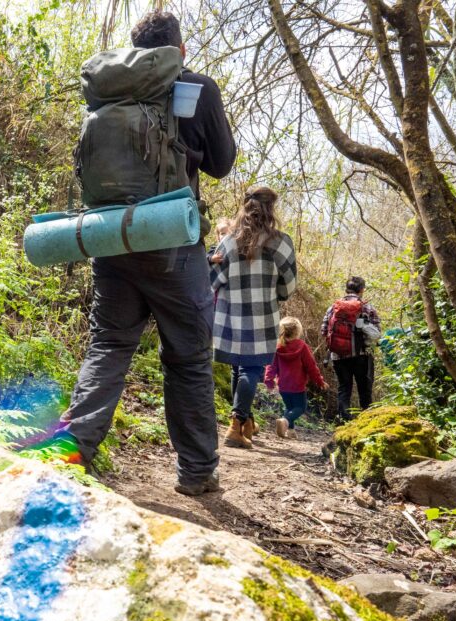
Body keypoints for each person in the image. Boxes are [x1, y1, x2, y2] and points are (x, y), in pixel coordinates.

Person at [57, 10, 236, 496]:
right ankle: (197, 473)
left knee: (108, 346)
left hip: (111, 239)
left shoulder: (107, 90)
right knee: (189, 358)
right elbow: (221, 163)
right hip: (173, 244)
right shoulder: (196, 86)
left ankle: (71, 455)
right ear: (178, 51)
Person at [210, 186, 297, 449]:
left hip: (230, 319)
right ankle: (235, 425)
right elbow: (288, 287)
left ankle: (247, 422)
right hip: (262, 318)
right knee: (251, 369)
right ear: (271, 210)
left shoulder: (227, 242)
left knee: (240, 367)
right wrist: (275, 292)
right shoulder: (281, 242)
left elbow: (213, 281)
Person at [320, 276, 381, 421]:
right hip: (362, 355)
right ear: (362, 290)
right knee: (364, 390)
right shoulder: (367, 307)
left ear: (346, 289)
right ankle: (366, 422)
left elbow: (324, 331)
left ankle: (344, 421)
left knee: (344, 389)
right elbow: (377, 333)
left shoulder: (333, 308)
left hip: (338, 356)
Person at [264, 316, 326, 439]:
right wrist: (320, 381)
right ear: (297, 331)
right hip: (298, 386)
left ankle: (290, 431)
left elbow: (271, 365)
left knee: (289, 407)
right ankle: (285, 421)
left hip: (283, 386)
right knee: (301, 408)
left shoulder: (278, 347)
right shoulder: (302, 346)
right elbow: (311, 366)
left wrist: (269, 380)